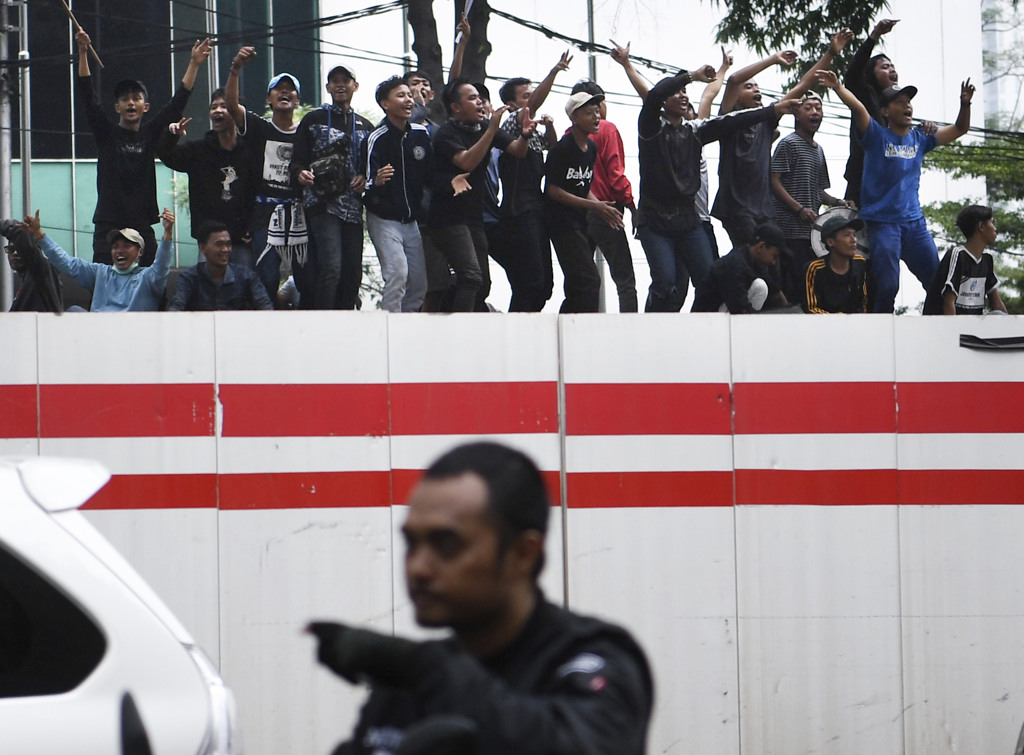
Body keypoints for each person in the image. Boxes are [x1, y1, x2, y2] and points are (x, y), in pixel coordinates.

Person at [308, 441, 653, 755]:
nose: (418, 567)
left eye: (446, 544)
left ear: (523, 554)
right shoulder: (406, 685)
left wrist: (424, 668)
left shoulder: (592, 659)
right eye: (412, 543)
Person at [634, 64, 799, 312]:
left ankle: (707, 326)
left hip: (687, 219)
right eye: (677, 92)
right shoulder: (650, 127)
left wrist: (771, 110)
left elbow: (733, 120)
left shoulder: (695, 130)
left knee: (710, 276)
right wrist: (691, 76)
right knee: (667, 282)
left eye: (685, 92)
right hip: (655, 218)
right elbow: (655, 95)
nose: (683, 96)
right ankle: (650, 327)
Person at [817, 69, 975, 313]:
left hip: (915, 225)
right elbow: (859, 109)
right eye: (899, 102)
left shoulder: (920, 138)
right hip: (883, 225)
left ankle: (939, 325)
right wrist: (838, 87)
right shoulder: (875, 136)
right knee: (888, 285)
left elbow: (959, 129)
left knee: (938, 282)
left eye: (909, 102)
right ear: (885, 111)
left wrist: (965, 104)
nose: (907, 106)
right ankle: (883, 330)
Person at [74, 30, 209, 267]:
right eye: (124, 99)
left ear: (145, 106)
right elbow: (88, 97)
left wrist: (194, 63)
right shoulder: (106, 134)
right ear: (117, 107)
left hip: (141, 223)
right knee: (104, 284)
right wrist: (83, 52)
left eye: (136, 98)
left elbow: (177, 102)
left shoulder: (150, 134)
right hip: (108, 223)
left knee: (151, 285)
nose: (130, 103)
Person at [713, 30, 853, 247]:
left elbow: (802, 86)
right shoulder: (728, 122)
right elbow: (733, 80)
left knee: (770, 270)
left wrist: (830, 53)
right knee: (750, 260)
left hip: (764, 210)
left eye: (757, 86)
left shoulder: (766, 121)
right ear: (736, 98)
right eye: (748, 86)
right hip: (737, 209)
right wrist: (773, 59)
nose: (756, 89)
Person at [426, 79, 533, 312]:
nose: (480, 103)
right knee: (471, 276)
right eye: (472, 98)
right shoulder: (446, 134)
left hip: (474, 216)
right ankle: (461, 330)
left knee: (482, 284)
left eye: (480, 98)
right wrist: (493, 128)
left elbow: (516, 150)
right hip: (447, 218)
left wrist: (524, 135)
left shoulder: (484, 127)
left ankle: (441, 312)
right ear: (456, 107)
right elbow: (467, 162)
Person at [225, 47, 311, 307]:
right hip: (265, 211)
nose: (285, 92)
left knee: (306, 276)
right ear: (268, 99)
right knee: (267, 275)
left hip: (299, 212)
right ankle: (266, 325)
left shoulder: (307, 131)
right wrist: (236, 68)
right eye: (278, 89)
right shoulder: (259, 127)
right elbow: (231, 106)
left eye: (290, 89)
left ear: (297, 100)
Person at [491, 53, 571, 312]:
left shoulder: (532, 133)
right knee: (531, 283)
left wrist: (549, 128)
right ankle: (515, 331)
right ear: (511, 104)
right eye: (526, 95)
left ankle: (525, 329)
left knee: (544, 285)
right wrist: (554, 72)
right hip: (518, 213)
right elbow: (531, 108)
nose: (532, 99)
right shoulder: (512, 126)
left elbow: (554, 150)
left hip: (536, 210)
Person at [291, 64, 375, 310]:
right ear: (327, 87)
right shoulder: (313, 119)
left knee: (352, 273)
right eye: (334, 80)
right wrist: (301, 173)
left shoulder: (366, 126)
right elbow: (296, 161)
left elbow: (372, 167)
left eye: (345, 80)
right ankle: (323, 322)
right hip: (321, 204)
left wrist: (364, 177)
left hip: (353, 207)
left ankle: (345, 321)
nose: (340, 84)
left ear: (355, 86)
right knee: (331, 267)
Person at [157, 88, 257, 267]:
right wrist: (172, 135)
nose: (217, 110)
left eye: (224, 106)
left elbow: (257, 190)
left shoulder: (250, 151)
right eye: (213, 107)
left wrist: (251, 226)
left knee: (242, 289)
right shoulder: (198, 151)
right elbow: (167, 156)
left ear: (236, 111)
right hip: (208, 240)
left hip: (241, 240)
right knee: (208, 290)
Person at [544, 92, 625, 313]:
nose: (596, 117)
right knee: (589, 280)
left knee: (578, 282)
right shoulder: (563, 149)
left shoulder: (591, 148)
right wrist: (594, 206)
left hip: (580, 221)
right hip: (561, 223)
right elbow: (553, 190)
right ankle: (576, 323)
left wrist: (601, 205)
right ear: (574, 118)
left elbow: (582, 184)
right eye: (589, 113)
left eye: (597, 111)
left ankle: (570, 324)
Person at [770, 93, 853, 303]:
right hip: (788, 230)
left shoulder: (819, 150)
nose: (815, 112)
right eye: (809, 108)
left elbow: (818, 190)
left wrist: (837, 202)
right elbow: (773, 181)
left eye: (818, 108)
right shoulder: (788, 143)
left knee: (809, 285)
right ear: (797, 114)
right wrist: (799, 209)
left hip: (811, 234)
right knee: (791, 286)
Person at [362, 76, 433, 313]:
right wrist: (376, 181)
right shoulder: (376, 137)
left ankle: (407, 327)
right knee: (397, 275)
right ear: (385, 104)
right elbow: (363, 182)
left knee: (419, 284)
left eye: (409, 96)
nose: (408, 100)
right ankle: (389, 326)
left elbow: (432, 174)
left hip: (411, 220)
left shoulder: (421, 134)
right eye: (400, 96)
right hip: (383, 219)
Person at [568, 79, 638, 312]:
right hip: (607, 209)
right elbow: (615, 174)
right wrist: (631, 206)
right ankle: (630, 328)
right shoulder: (607, 128)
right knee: (625, 279)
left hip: (577, 211)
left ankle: (579, 322)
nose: (599, 112)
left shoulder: (569, 135)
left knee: (582, 278)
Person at [23, 208, 176, 312]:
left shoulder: (148, 277)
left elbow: (161, 265)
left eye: (127, 245)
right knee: (74, 312)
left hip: (133, 339)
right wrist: (39, 235)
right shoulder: (100, 273)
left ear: (140, 251)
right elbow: (68, 263)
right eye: (115, 246)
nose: (119, 250)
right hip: (98, 337)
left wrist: (167, 232)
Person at [167, 220, 273, 311]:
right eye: (219, 244)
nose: (225, 250)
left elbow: (266, 308)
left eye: (228, 244)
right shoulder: (188, 278)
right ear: (202, 248)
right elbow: (175, 308)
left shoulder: (247, 276)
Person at [923, 204, 1008, 315]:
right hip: (947, 326)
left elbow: (996, 302)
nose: (995, 229)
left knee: (999, 315)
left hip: (973, 327)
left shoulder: (987, 260)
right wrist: (953, 331)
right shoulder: (958, 255)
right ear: (981, 226)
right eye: (992, 223)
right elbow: (948, 302)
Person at [692, 222, 788, 313]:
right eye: (774, 256)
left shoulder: (752, 261)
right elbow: (740, 309)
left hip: (724, 313)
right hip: (707, 319)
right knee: (760, 286)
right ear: (761, 247)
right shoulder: (734, 265)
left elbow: (774, 289)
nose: (773, 262)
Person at [804, 214, 868, 313]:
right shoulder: (815, 269)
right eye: (847, 235)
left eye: (854, 235)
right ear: (830, 242)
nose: (854, 240)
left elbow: (864, 303)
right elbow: (811, 308)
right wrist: (838, 321)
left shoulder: (860, 263)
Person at [1, 219, 63, 312]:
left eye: (19, 248)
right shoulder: (23, 290)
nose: (15, 253)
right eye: (11, 249)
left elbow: (22, 237)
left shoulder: (42, 272)